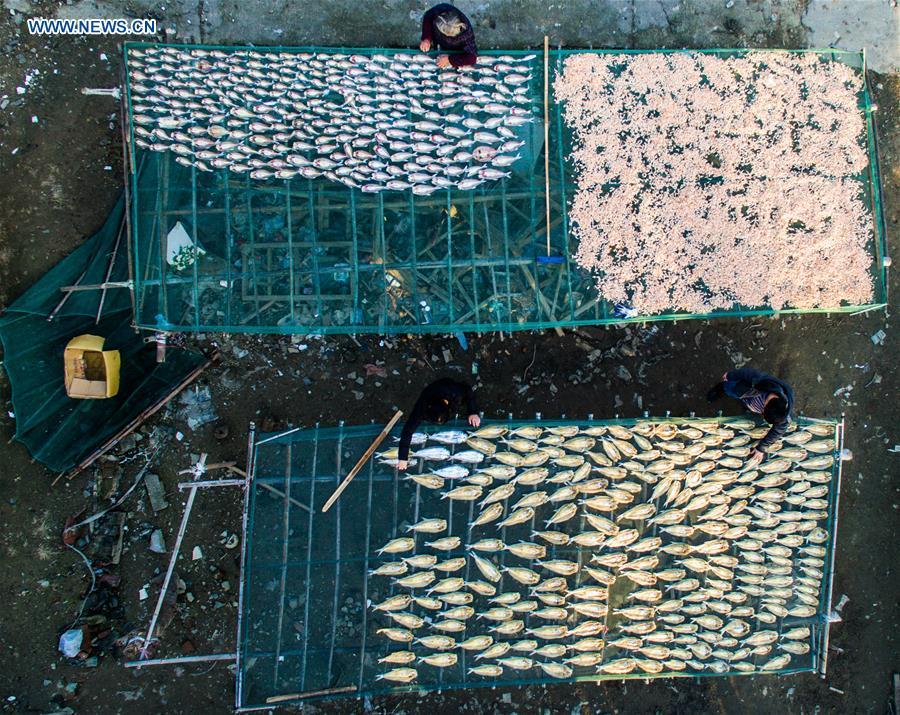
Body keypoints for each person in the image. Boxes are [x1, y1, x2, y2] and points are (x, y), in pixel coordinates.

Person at [706, 367, 794, 466]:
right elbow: (746, 372)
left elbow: (779, 429)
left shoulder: (782, 414)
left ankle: (746, 403)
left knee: (744, 401)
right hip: (742, 390)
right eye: (763, 411)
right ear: (766, 404)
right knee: (729, 387)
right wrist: (731, 375)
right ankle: (720, 388)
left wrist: (762, 448)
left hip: (749, 399)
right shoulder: (761, 380)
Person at [396, 378, 481, 470]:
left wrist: (473, 412)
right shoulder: (421, 408)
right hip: (433, 392)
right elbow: (407, 432)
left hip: (449, 388)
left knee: (464, 397)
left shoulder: (454, 392)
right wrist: (402, 458)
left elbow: (467, 389)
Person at [419, 3, 478, 69]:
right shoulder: (441, 9)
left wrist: (450, 60)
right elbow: (428, 16)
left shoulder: (467, 35)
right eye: (441, 30)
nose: (444, 34)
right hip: (438, 40)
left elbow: (472, 58)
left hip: (455, 47)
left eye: (447, 34)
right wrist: (426, 38)